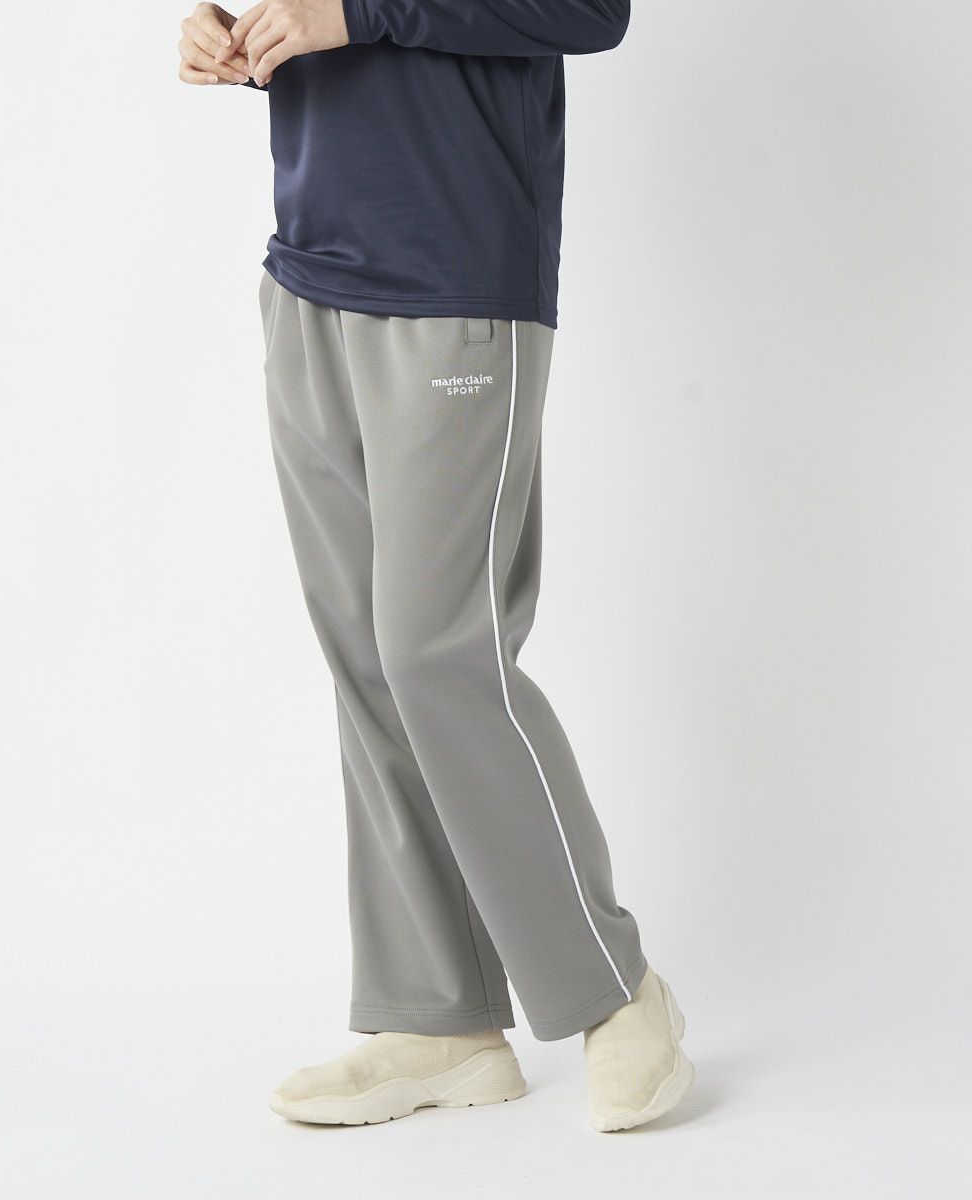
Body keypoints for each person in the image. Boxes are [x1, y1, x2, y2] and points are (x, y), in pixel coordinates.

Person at [178, 0, 694, 1132]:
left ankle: (615, 991)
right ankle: (438, 1019)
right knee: (368, 664)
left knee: (438, 654)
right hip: (308, 272)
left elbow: (590, 11)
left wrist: (356, 12)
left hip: (456, 276)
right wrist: (236, 37)